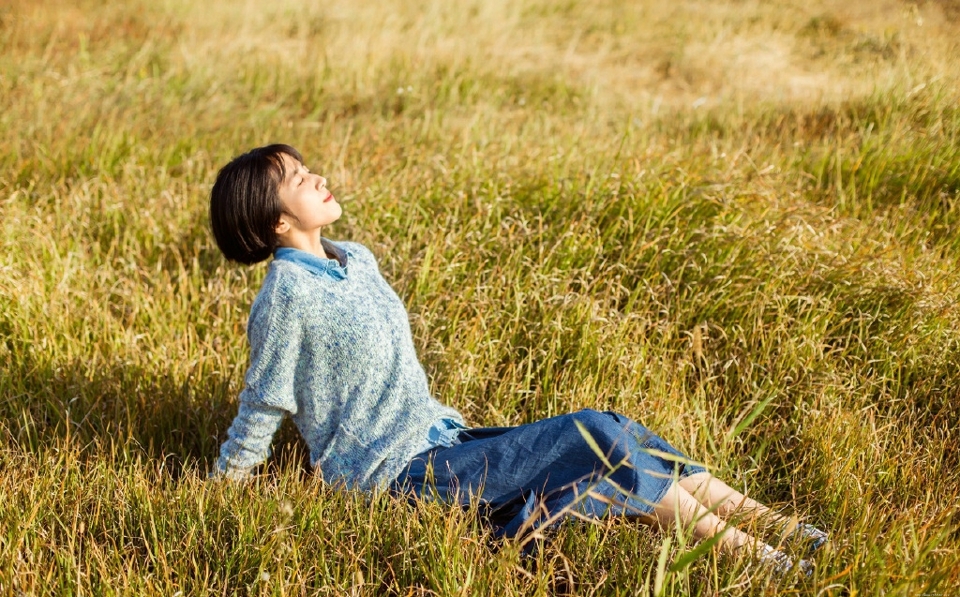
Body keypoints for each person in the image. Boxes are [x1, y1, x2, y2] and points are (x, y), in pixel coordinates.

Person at [208, 144, 828, 575]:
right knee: (598, 438)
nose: (318, 178)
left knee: (618, 437)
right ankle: (769, 563)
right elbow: (264, 401)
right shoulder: (285, 296)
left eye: (309, 168)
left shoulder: (355, 258)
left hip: (444, 439)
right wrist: (221, 493)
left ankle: (788, 531)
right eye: (298, 178)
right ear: (276, 219)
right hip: (395, 474)